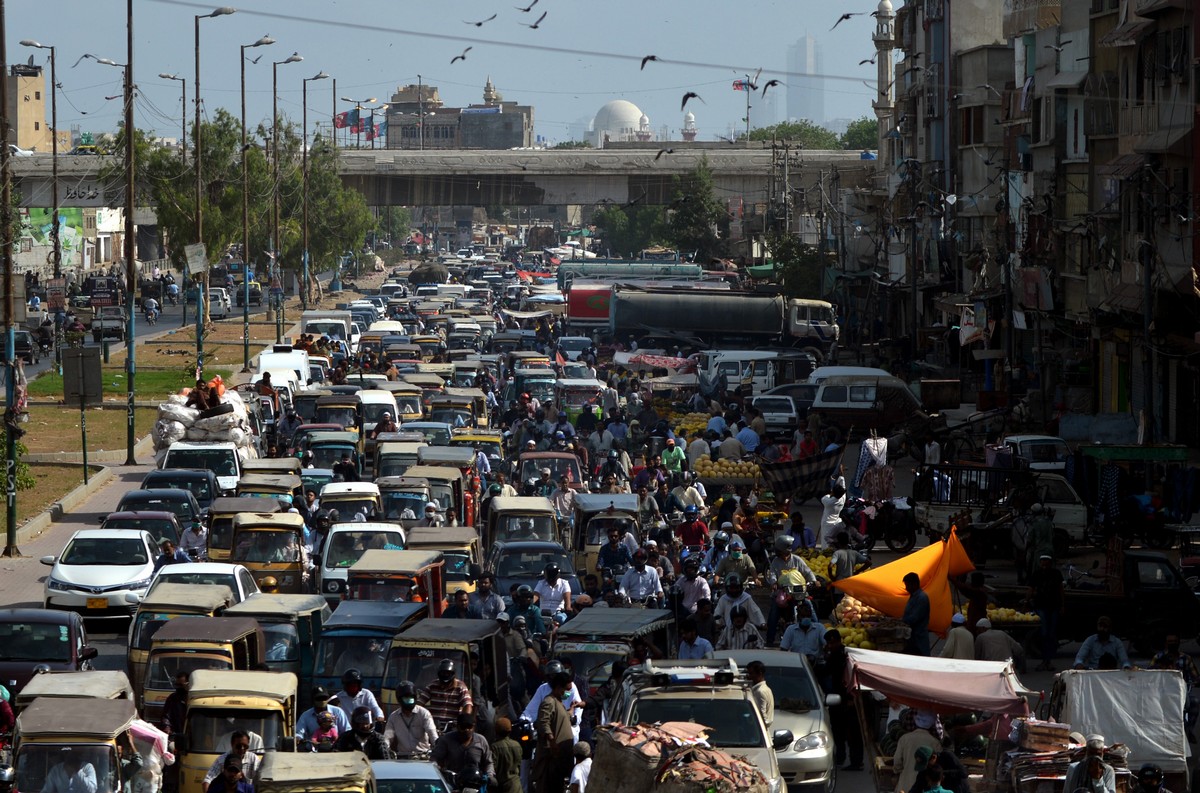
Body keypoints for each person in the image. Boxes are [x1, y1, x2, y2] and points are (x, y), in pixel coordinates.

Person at [821, 629, 863, 771]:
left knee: (851, 733)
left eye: (832, 643)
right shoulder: (835, 655)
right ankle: (842, 757)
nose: (830, 645)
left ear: (838, 641)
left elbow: (848, 677)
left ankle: (855, 761)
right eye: (828, 643)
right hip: (838, 698)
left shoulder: (844, 656)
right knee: (839, 731)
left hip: (848, 699)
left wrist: (851, 698)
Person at [1151, 633, 1200, 742]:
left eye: (1174, 642)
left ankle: (1188, 731)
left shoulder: (1186, 658)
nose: (1172, 644)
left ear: (1178, 643)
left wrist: (1196, 682)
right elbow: (1149, 675)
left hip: (1182, 691)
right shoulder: (1158, 658)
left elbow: (1195, 676)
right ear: (1165, 643)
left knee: (1194, 702)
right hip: (1162, 692)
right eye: (1170, 642)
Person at [533, 670, 575, 793]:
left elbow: (563, 717)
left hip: (560, 758)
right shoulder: (549, 702)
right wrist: (552, 741)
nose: (568, 693)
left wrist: (571, 710)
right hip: (551, 758)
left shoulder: (558, 703)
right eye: (566, 689)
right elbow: (543, 723)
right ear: (558, 687)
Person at [431, 712, 494, 790]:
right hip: (453, 784)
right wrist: (438, 771)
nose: (466, 730)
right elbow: (435, 758)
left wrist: (489, 776)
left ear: (474, 727)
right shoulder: (446, 740)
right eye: (463, 727)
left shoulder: (481, 740)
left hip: (475, 784)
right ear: (457, 727)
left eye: (469, 727)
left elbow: (488, 762)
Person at [1026, 553, 1064, 671]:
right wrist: (1026, 602)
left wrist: (1062, 606)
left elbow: (1061, 590)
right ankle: (1045, 660)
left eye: (1046, 562)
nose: (1044, 564)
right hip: (1041, 607)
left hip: (1054, 607)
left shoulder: (1056, 574)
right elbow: (1031, 589)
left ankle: (1048, 661)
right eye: (1042, 562)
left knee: (1051, 635)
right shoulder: (1036, 574)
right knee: (1044, 633)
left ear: (1050, 563)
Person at [384, 681, 439, 758]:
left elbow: (432, 733)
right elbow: (387, 738)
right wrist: (385, 749)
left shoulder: (424, 713)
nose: (409, 700)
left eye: (411, 697)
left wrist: (438, 746)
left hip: (422, 757)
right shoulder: (393, 717)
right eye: (406, 698)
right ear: (399, 699)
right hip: (402, 758)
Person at [893, 711, 942, 793]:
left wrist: (899, 771)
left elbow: (897, 761)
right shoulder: (935, 742)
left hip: (905, 785)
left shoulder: (904, 738)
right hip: (925, 786)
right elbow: (937, 765)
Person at [420, 659, 474, 729]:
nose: (445, 675)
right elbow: (420, 702)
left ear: (453, 674)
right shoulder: (432, 685)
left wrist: (464, 721)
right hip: (433, 725)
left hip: (452, 726)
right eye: (442, 673)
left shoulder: (460, 687)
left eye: (447, 673)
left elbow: (467, 705)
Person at [491, 717, 523, 793]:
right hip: (516, 786)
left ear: (496, 730)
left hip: (501, 786)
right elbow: (519, 764)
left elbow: (493, 768)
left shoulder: (494, 747)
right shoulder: (517, 745)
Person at [902, 572, 931, 656]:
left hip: (918, 638)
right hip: (912, 637)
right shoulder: (914, 596)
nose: (906, 588)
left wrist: (902, 621)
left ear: (914, 584)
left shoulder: (921, 598)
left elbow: (914, 618)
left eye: (907, 585)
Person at [818, 480, 847, 548]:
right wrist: (841, 476)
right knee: (835, 540)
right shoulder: (842, 499)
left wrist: (831, 494)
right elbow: (843, 486)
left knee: (826, 543)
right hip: (837, 522)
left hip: (827, 524)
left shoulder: (828, 502)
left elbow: (824, 498)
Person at [746, 659, 774, 728]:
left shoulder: (760, 691)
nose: (749, 676)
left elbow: (761, 715)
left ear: (760, 673)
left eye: (751, 673)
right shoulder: (766, 689)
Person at [161, 671, 190, 736]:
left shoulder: (195, 699)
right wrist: (167, 727)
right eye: (177, 685)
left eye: (181, 685)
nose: (178, 688)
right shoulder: (173, 698)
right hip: (177, 735)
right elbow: (166, 716)